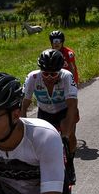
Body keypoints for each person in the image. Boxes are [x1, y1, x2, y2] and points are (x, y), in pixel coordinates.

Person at [22, 49, 79, 185]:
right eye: (45, 73)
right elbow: (23, 106)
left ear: (60, 70)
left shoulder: (67, 76)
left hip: (64, 110)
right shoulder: (33, 77)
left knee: (69, 135)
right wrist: (23, 130)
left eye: (53, 74)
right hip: (45, 112)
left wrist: (66, 134)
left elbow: (72, 106)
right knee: (41, 142)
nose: (49, 77)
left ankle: (70, 163)